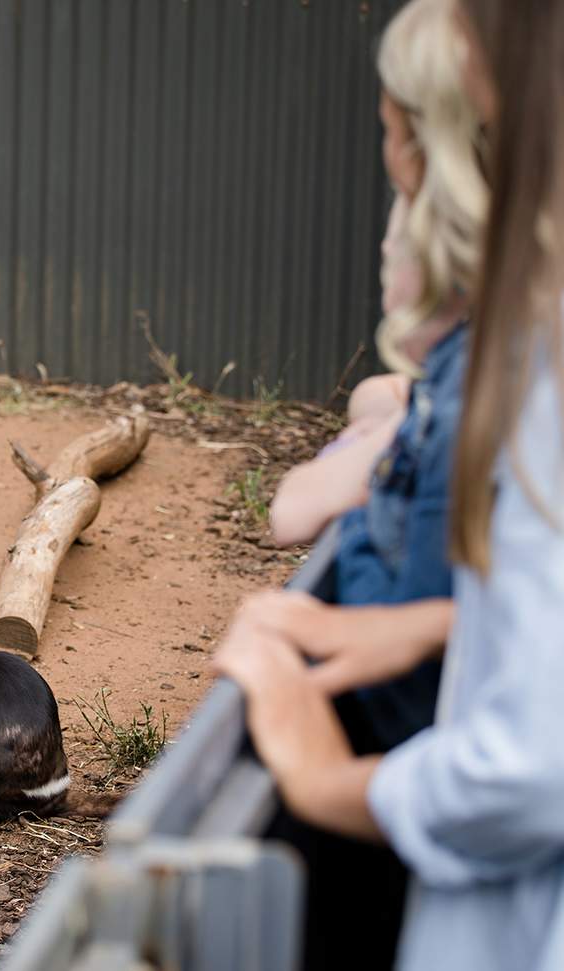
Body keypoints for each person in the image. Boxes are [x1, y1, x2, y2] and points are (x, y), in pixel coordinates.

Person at [217, 0, 564, 966]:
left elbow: (532, 768)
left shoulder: (534, 381)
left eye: (390, 136)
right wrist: (442, 623)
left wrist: (322, 778)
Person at [248, 0, 487, 755]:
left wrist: (318, 777)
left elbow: (491, 756)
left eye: (389, 134)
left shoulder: (480, 397)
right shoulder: (472, 374)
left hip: (398, 766)